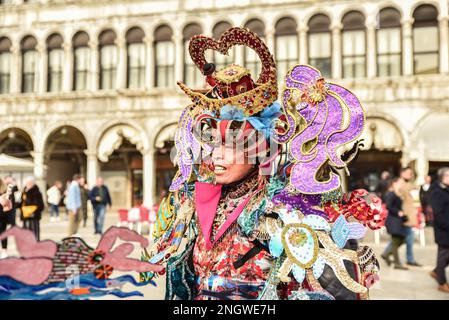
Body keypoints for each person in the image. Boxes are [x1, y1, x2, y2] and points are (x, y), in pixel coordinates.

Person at [139, 28, 383, 300]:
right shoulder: (196, 202)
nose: (216, 156)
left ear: (258, 149)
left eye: (230, 145)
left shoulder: (290, 208)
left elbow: (334, 289)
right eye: (212, 145)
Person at [381, 177, 409, 270]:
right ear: (394, 184)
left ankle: (386, 254)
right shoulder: (391, 194)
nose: (400, 185)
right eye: (399, 183)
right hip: (393, 221)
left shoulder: (397, 194)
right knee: (395, 242)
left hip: (397, 221)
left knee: (400, 240)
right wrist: (398, 212)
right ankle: (397, 263)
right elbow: (388, 206)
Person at [429, 167, 449, 293]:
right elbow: (438, 213)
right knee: (443, 255)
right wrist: (446, 225)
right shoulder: (437, 191)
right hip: (443, 229)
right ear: (443, 177)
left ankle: (436, 271)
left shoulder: (446, 190)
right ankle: (442, 283)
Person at [20, 176, 44, 241]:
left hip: (34, 216)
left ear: (33, 183)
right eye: (27, 183)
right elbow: (22, 203)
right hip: (25, 215)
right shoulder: (24, 192)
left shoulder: (37, 192)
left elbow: (41, 206)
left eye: (30, 183)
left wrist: (33, 211)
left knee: (34, 233)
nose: (28, 184)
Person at [0, 178, 16, 258]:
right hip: (3, 216)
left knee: (2, 234)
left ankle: (4, 251)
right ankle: (4, 251)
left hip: (2, 216)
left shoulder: (6, 192)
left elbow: (10, 206)